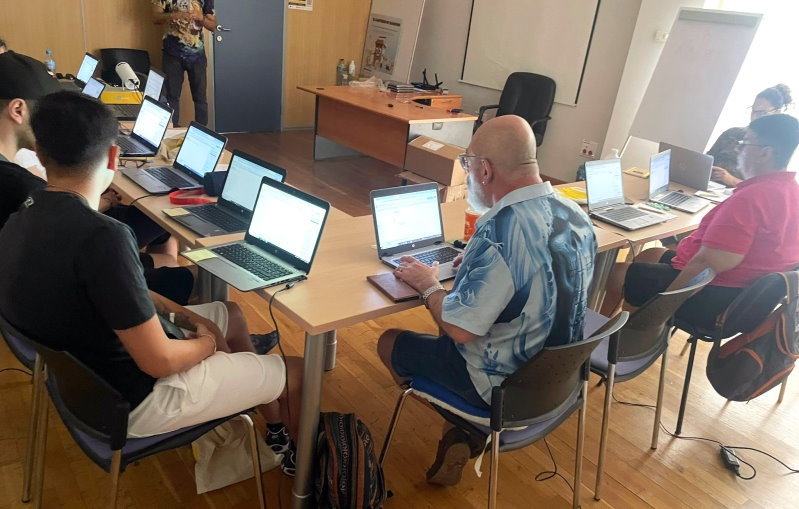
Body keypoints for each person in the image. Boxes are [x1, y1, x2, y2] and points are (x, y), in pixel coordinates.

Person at [0, 90, 301, 473]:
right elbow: (161, 361)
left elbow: (126, 295)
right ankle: (303, 473)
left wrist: (187, 317)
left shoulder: (24, 215)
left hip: (90, 384)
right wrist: (207, 344)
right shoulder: (103, 236)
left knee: (231, 313)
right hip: (134, 402)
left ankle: (274, 427)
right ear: (114, 157)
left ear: (41, 155)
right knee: (297, 371)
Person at [376, 115, 597, 485]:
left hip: (502, 391)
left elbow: (460, 331)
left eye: (467, 163)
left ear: (485, 170)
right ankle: (465, 430)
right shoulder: (577, 215)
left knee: (388, 341)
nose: (468, 172)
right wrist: (481, 264)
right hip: (558, 382)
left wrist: (427, 284)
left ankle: (466, 426)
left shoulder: (497, 232)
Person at [602, 114, 799, 331]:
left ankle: (616, 336)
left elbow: (705, 265)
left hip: (714, 298)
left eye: (745, 144)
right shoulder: (791, 191)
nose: (738, 150)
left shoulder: (752, 198)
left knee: (615, 274)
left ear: (765, 153)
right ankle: (611, 329)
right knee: (649, 255)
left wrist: (657, 312)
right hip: (741, 297)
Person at [709, 84, 793, 187]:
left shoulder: (774, 150)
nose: (754, 117)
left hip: (738, 193)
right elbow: (706, 161)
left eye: (761, 112)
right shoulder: (732, 133)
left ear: (777, 112)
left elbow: (764, 189)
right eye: (753, 110)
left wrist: (731, 180)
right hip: (706, 189)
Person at [152, 0, 216, 126]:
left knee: (200, 98)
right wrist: (173, 15)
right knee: (171, 97)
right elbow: (155, 17)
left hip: (197, 56)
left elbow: (213, 26)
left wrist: (200, 17)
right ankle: (171, 130)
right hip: (171, 55)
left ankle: (201, 134)